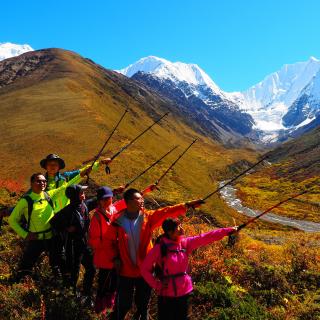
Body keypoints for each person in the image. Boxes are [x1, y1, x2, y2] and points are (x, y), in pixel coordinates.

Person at [110, 188, 204, 320]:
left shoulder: (147, 217)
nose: (142, 200)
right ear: (129, 201)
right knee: (123, 304)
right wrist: (115, 257)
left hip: (145, 270)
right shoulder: (117, 220)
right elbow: (111, 242)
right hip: (125, 270)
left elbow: (166, 212)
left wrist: (186, 205)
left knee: (143, 304)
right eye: (139, 198)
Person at [140, 218, 237, 320]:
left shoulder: (185, 243)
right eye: (178, 227)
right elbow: (144, 269)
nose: (182, 228)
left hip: (185, 293)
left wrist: (228, 231)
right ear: (169, 232)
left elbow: (206, 237)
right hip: (166, 295)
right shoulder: (160, 248)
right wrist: (157, 285)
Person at [88, 184, 157, 314]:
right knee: (104, 283)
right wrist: (109, 246)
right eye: (104, 199)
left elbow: (131, 200)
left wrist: (147, 189)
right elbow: (94, 241)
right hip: (105, 258)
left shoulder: (114, 209)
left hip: (118, 256)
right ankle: (99, 309)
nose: (107, 201)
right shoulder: (96, 217)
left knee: (114, 284)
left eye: (109, 198)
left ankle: (110, 306)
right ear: (98, 201)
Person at [8, 172, 82, 282]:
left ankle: (63, 286)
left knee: (59, 262)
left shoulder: (48, 195)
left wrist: (82, 174)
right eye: (38, 181)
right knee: (26, 265)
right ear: (32, 183)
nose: (42, 183)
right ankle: (16, 285)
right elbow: (12, 220)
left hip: (53, 236)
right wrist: (25, 234)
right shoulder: (26, 201)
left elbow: (65, 187)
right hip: (36, 239)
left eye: (44, 181)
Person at [50, 184, 97, 305]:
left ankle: (86, 294)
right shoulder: (68, 210)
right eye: (81, 192)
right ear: (76, 196)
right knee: (74, 271)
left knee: (91, 268)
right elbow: (53, 222)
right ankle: (71, 297)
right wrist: (66, 228)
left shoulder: (84, 205)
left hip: (84, 244)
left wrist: (114, 191)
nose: (84, 194)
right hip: (72, 245)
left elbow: (96, 201)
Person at [40, 153, 111, 212]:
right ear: (46, 166)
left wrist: (100, 163)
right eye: (49, 164)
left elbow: (82, 171)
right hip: (52, 216)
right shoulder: (41, 183)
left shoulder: (66, 177)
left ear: (59, 167)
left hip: (69, 211)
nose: (52, 166)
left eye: (55, 164)